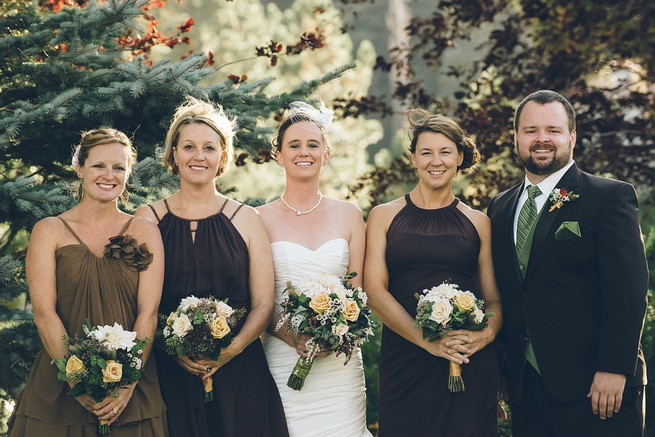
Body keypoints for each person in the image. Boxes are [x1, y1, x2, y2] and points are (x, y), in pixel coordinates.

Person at [487, 89, 648, 437]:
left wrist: (614, 369)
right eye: (531, 130)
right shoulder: (499, 208)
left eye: (553, 130)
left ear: (572, 137)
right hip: (526, 389)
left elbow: (629, 292)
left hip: (597, 388)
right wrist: (502, 372)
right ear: (516, 137)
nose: (541, 139)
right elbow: (507, 293)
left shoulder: (609, 198)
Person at [135, 96, 289, 437]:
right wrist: (170, 348)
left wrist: (229, 351)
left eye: (209, 147)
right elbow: (139, 304)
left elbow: (263, 302)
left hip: (239, 371)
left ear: (223, 155)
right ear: (174, 154)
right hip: (168, 375)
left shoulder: (247, 219)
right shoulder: (147, 219)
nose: (198, 156)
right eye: (188, 146)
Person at [8, 128, 168, 436]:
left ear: (128, 174)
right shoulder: (50, 230)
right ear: (80, 168)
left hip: (130, 392)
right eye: (99, 166)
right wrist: (75, 379)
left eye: (119, 168)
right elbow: (44, 313)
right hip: (60, 389)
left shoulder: (144, 230)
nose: (109, 175)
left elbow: (148, 313)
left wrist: (127, 382)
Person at [364, 109, 503, 436]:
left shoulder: (479, 222)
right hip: (405, 362)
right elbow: (374, 290)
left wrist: (483, 336)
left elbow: (494, 299)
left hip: (466, 360)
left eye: (444, 152)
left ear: (459, 156)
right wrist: (427, 342)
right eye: (426, 152)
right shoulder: (384, 216)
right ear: (413, 159)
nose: (435, 161)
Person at [257, 101, 372, 437]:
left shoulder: (350, 215)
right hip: (282, 359)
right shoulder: (258, 218)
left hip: (340, 365)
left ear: (326, 153)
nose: (303, 152)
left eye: (312, 144)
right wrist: (298, 337)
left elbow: (358, 294)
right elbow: (258, 298)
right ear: (278, 154)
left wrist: (335, 332)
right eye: (294, 145)